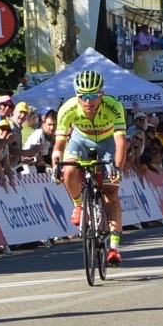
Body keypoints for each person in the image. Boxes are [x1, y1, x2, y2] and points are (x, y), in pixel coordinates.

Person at [51, 70, 128, 267]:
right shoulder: (67, 109)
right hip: (81, 140)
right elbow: (59, 145)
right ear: (77, 95)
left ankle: (113, 247)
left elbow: (120, 142)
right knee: (69, 170)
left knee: (111, 193)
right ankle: (79, 205)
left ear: (101, 94)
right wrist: (56, 165)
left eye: (93, 95)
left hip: (107, 141)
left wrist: (117, 168)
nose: (88, 101)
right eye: (83, 96)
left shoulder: (114, 106)